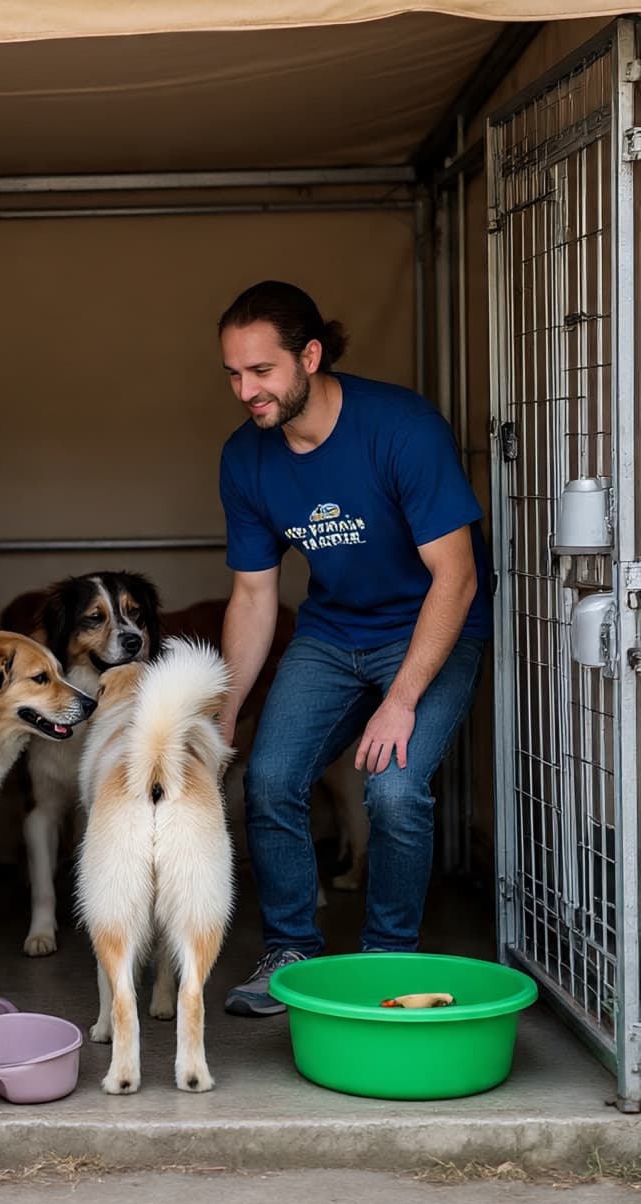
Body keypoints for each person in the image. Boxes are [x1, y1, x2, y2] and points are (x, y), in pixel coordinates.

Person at [214, 281, 490, 1017]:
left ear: (309, 356)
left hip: (431, 625)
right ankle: (291, 950)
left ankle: (387, 959)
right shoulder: (246, 459)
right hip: (333, 634)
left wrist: (399, 703)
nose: (246, 391)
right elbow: (252, 595)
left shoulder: (400, 427)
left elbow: (456, 578)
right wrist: (227, 709)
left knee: (395, 790)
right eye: (233, 375)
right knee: (269, 778)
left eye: (261, 371)